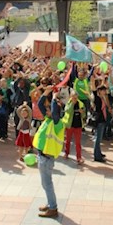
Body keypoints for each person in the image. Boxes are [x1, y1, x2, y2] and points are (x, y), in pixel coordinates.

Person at [35, 86, 65, 218]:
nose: (46, 111)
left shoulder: (58, 124)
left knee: (47, 183)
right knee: (45, 183)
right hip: (42, 156)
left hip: (47, 158)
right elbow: (41, 104)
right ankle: (50, 202)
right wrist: (47, 92)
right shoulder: (48, 120)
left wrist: (54, 98)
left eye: (49, 110)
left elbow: (53, 111)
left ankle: (53, 208)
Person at [63, 90, 85, 163]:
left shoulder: (81, 104)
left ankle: (79, 157)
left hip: (78, 125)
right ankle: (66, 153)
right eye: (73, 97)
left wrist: (82, 113)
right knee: (68, 141)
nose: (75, 99)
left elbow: (84, 115)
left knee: (78, 142)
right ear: (70, 97)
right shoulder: (68, 103)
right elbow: (67, 111)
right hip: (70, 125)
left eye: (76, 98)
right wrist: (72, 104)